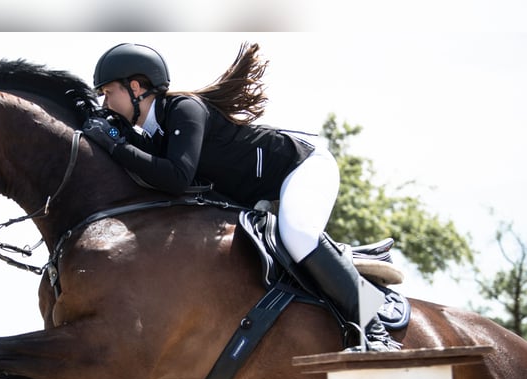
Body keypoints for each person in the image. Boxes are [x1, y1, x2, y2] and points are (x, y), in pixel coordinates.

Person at [82, 42, 399, 352]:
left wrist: (113, 142)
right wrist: (112, 138)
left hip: (301, 167)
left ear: (136, 87)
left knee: (299, 235)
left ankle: (375, 329)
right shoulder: (154, 133)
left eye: (109, 93)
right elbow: (150, 175)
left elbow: (176, 178)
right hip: (263, 193)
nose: (106, 104)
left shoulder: (182, 109)